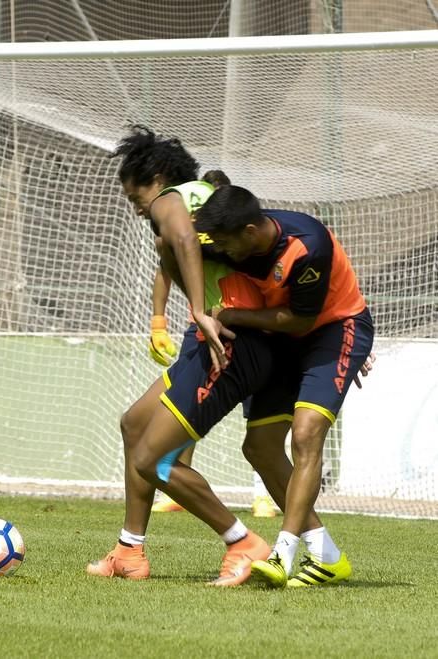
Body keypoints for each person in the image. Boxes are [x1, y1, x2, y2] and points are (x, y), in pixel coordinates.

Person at [87, 126, 274, 585]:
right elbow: (172, 250)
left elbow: (184, 243)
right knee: (135, 423)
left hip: (228, 340)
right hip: (229, 336)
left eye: (135, 198)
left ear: (156, 177)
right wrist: (160, 319)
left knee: (157, 459)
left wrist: (196, 311)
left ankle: (243, 542)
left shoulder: (173, 199)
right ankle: (129, 551)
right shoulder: (207, 196)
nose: (137, 208)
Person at [194, 184, 375, 587]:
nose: (221, 251)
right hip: (284, 341)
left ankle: (283, 554)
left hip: (334, 329)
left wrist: (233, 316)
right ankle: (327, 557)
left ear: (251, 232)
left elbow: (300, 321)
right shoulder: (231, 237)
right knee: (258, 447)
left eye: (226, 243)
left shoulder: (306, 246)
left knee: (306, 433)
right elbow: (176, 245)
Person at [149, 169, 277, 519]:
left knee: (258, 415)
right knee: (186, 406)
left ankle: (262, 494)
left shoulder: (243, 242)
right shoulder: (195, 234)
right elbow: (165, 262)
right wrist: (158, 320)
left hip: (246, 329)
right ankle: (177, 479)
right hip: (202, 326)